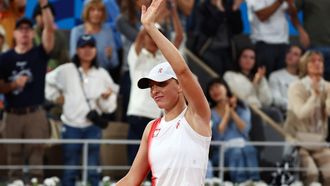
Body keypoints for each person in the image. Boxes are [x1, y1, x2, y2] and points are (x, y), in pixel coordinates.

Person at [116, 0, 211, 185]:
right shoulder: (151, 128)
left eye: (162, 84)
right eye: (151, 86)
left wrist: (150, 27)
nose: (155, 91)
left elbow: (182, 71)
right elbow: (132, 179)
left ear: (180, 86)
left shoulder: (197, 116)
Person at [45, 34, 119, 186]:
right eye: (83, 46)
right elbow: (47, 80)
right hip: (71, 125)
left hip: (92, 126)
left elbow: (111, 105)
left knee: (93, 168)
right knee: (70, 168)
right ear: (77, 50)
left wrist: (106, 99)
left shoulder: (102, 74)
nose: (87, 50)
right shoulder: (66, 69)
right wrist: (56, 97)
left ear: (95, 50)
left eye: (90, 46)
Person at [0, 0, 54, 182]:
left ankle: (36, 183)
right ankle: (14, 183)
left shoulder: (39, 53)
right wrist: (14, 85)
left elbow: (49, 29)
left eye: (27, 29)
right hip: (12, 113)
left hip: (35, 113)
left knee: (36, 156)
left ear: (32, 33)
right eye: (20, 29)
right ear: (13, 33)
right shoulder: (5, 58)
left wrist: (44, 5)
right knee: (11, 156)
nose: (24, 32)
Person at [125, 3, 184, 164]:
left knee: (156, 161)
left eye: (155, 36)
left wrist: (173, 13)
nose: (151, 39)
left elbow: (179, 37)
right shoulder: (136, 54)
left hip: (158, 116)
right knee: (134, 161)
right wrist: (149, 24)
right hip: (137, 114)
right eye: (149, 36)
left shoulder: (164, 58)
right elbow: (141, 35)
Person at [284, 50, 330, 185]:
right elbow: (301, 113)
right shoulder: (296, 86)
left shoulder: (327, 86)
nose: (317, 64)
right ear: (305, 65)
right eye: (313, 61)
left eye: (320, 61)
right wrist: (314, 96)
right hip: (298, 141)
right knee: (311, 173)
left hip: (319, 141)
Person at [207, 78, 260, 183]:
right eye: (211, 89)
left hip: (243, 145)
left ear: (226, 88)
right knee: (236, 152)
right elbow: (218, 135)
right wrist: (226, 113)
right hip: (222, 151)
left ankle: (255, 181)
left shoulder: (241, 107)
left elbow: (245, 129)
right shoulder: (210, 112)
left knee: (250, 149)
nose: (215, 91)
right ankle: (240, 182)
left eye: (217, 86)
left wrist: (232, 111)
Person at [245, 0, 308, 76]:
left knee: (282, 78)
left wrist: (290, 4)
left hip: (283, 43)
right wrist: (280, 1)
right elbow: (262, 16)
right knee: (265, 78)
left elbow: (291, 13)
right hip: (264, 43)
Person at [70, 0, 119, 81]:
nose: (96, 13)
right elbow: (73, 57)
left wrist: (109, 57)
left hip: (103, 78)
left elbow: (114, 63)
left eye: (99, 10)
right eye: (92, 10)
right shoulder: (77, 31)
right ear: (86, 11)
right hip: (81, 77)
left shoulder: (108, 31)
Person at [32, 2, 70, 71]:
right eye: (40, 14)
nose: (44, 17)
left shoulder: (60, 36)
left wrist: (56, 70)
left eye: (48, 15)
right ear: (35, 17)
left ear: (53, 17)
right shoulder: (30, 35)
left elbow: (65, 59)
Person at [269, 45, 303, 113]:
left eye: (295, 54)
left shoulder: (305, 79)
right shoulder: (275, 76)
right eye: (289, 52)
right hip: (284, 114)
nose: (290, 55)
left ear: (301, 59)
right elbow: (276, 99)